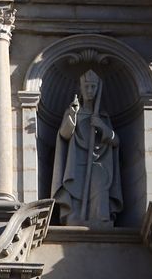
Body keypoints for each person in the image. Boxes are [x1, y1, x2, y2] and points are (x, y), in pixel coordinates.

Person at [51, 70, 122, 227]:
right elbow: (64, 134)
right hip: (76, 161)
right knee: (75, 191)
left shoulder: (102, 116)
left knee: (100, 187)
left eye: (93, 87)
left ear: (97, 89)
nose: (90, 91)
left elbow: (115, 141)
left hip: (99, 162)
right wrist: (73, 117)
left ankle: (100, 219)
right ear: (81, 89)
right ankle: (75, 216)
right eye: (87, 87)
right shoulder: (73, 111)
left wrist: (102, 126)